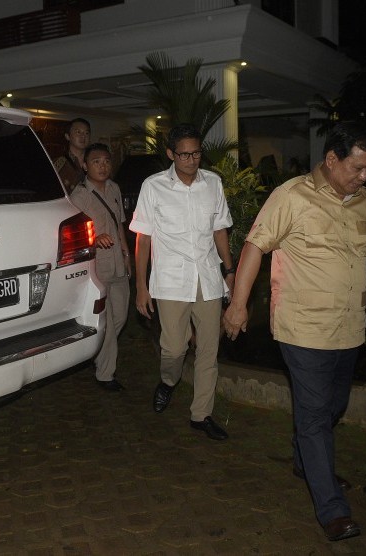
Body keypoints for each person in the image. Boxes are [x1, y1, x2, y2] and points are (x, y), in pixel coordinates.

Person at [222, 122, 366, 542]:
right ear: (331, 159)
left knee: (333, 406)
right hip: (303, 328)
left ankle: (304, 459)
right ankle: (332, 509)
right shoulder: (291, 196)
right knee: (316, 416)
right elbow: (255, 246)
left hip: (348, 327)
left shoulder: (364, 201)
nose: (365, 176)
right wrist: (238, 305)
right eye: (358, 167)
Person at [129, 123, 235, 441]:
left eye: (196, 153)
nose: (191, 160)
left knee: (208, 351)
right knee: (174, 350)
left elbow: (220, 230)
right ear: (171, 154)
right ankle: (168, 381)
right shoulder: (154, 186)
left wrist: (229, 270)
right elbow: (143, 240)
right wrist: (141, 287)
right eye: (184, 154)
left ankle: (201, 415)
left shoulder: (213, 184)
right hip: (171, 281)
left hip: (208, 278)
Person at [70, 143, 131, 391]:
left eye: (106, 160)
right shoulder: (79, 196)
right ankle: (105, 373)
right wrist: (95, 239)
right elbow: (73, 232)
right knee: (107, 319)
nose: (103, 165)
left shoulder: (115, 188)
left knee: (120, 318)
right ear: (85, 165)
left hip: (118, 262)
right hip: (97, 266)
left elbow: (119, 225)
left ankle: (95, 352)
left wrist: (127, 254)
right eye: (96, 161)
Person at [54, 117, 90, 192]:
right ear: (67, 136)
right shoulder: (59, 163)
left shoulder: (94, 161)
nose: (83, 136)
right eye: (78, 132)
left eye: (86, 133)